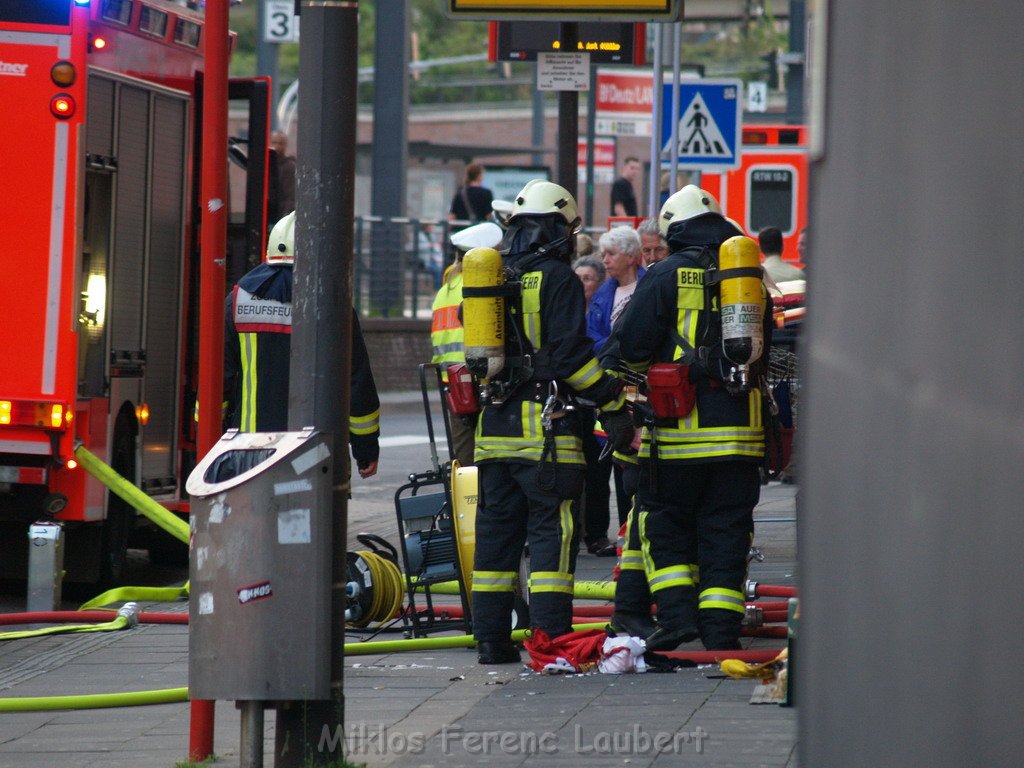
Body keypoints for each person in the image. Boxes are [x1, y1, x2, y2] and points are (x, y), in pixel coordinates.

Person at [470, 180, 634, 664]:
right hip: (545, 434)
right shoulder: (559, 279)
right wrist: (611, 401)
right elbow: (570, 360)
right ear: (559, 228)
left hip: (493, 433)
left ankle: (491, 643)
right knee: (551, 534)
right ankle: (551, 640)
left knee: (495, 544)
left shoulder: (493, 276)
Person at [609, 185, 772, 652]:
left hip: (680, 436)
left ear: (673, 230)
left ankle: (678, 620)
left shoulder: (664, 276)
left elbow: (631, 347)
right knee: (727, 532)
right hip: (741, 435)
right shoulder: (745, 275)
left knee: (665, 526)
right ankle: (721, 633)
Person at [223, 211, 381, 479]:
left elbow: (219, 379)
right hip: (315, 454)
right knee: (310, 518)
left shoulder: (237, 301)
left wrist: (213, 443)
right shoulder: (334, 304)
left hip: (249, 451)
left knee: (254, 518)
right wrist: (366, 450)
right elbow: (357, 383)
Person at [430, 221, 503, 467]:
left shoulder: (445, 289)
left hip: (451, 380)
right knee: (491, 451)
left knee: (463, 456)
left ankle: (463, 502)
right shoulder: (479, 285)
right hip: (479, 377)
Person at [572, 255, 616, 558]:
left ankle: (597, 535)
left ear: (599, 283)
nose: (582, 283)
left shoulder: (604, 313)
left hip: (599, 404)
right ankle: (571, 533)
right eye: (578, 277)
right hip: (572, 405)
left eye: (588, 278)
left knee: (599, 474)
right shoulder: (566, 313)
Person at [586, 227, 644, 356]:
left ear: (630, 257)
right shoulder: (601, 294)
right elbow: (591, 336)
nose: (605, 260)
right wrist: (616, 346)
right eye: (603, 255)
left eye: (611, 254)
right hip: (608, 367)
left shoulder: (649, 288)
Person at [269, 131, 296, 221]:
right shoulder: (265, 165)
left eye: (280, 143)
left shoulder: (290, 166)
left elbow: (290, 196)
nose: (277, 146)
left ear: (285, 145)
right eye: (274, 143)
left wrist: (284, 218)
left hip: (281, 216)